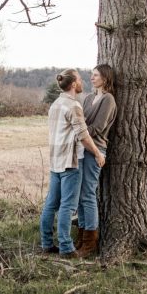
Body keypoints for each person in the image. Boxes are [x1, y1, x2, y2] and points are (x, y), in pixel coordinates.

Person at [39, 69, 105, 258]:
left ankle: (46, 243)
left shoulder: (55, 104)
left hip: (55, 162)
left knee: (51, 205)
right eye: (79, 79)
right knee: (68, 206)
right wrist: (98, 154)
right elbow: (83, 136)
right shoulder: (73, 106)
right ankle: (66, 248)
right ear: (74, 84)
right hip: (70, 162)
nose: (83, 81)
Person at [75, 63, 117, 258]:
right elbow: (80, 121)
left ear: (105, 78)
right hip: (82, 148)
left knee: (88, 194)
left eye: (96, 75)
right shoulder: (89, 98)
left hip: (96, 150)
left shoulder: (108, 100)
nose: (92, 78)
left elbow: (98, 127)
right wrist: (79, 133)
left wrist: (77, 133)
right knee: (80, 195)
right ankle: (81, 236)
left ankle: (90, 242)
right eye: (91, 74)